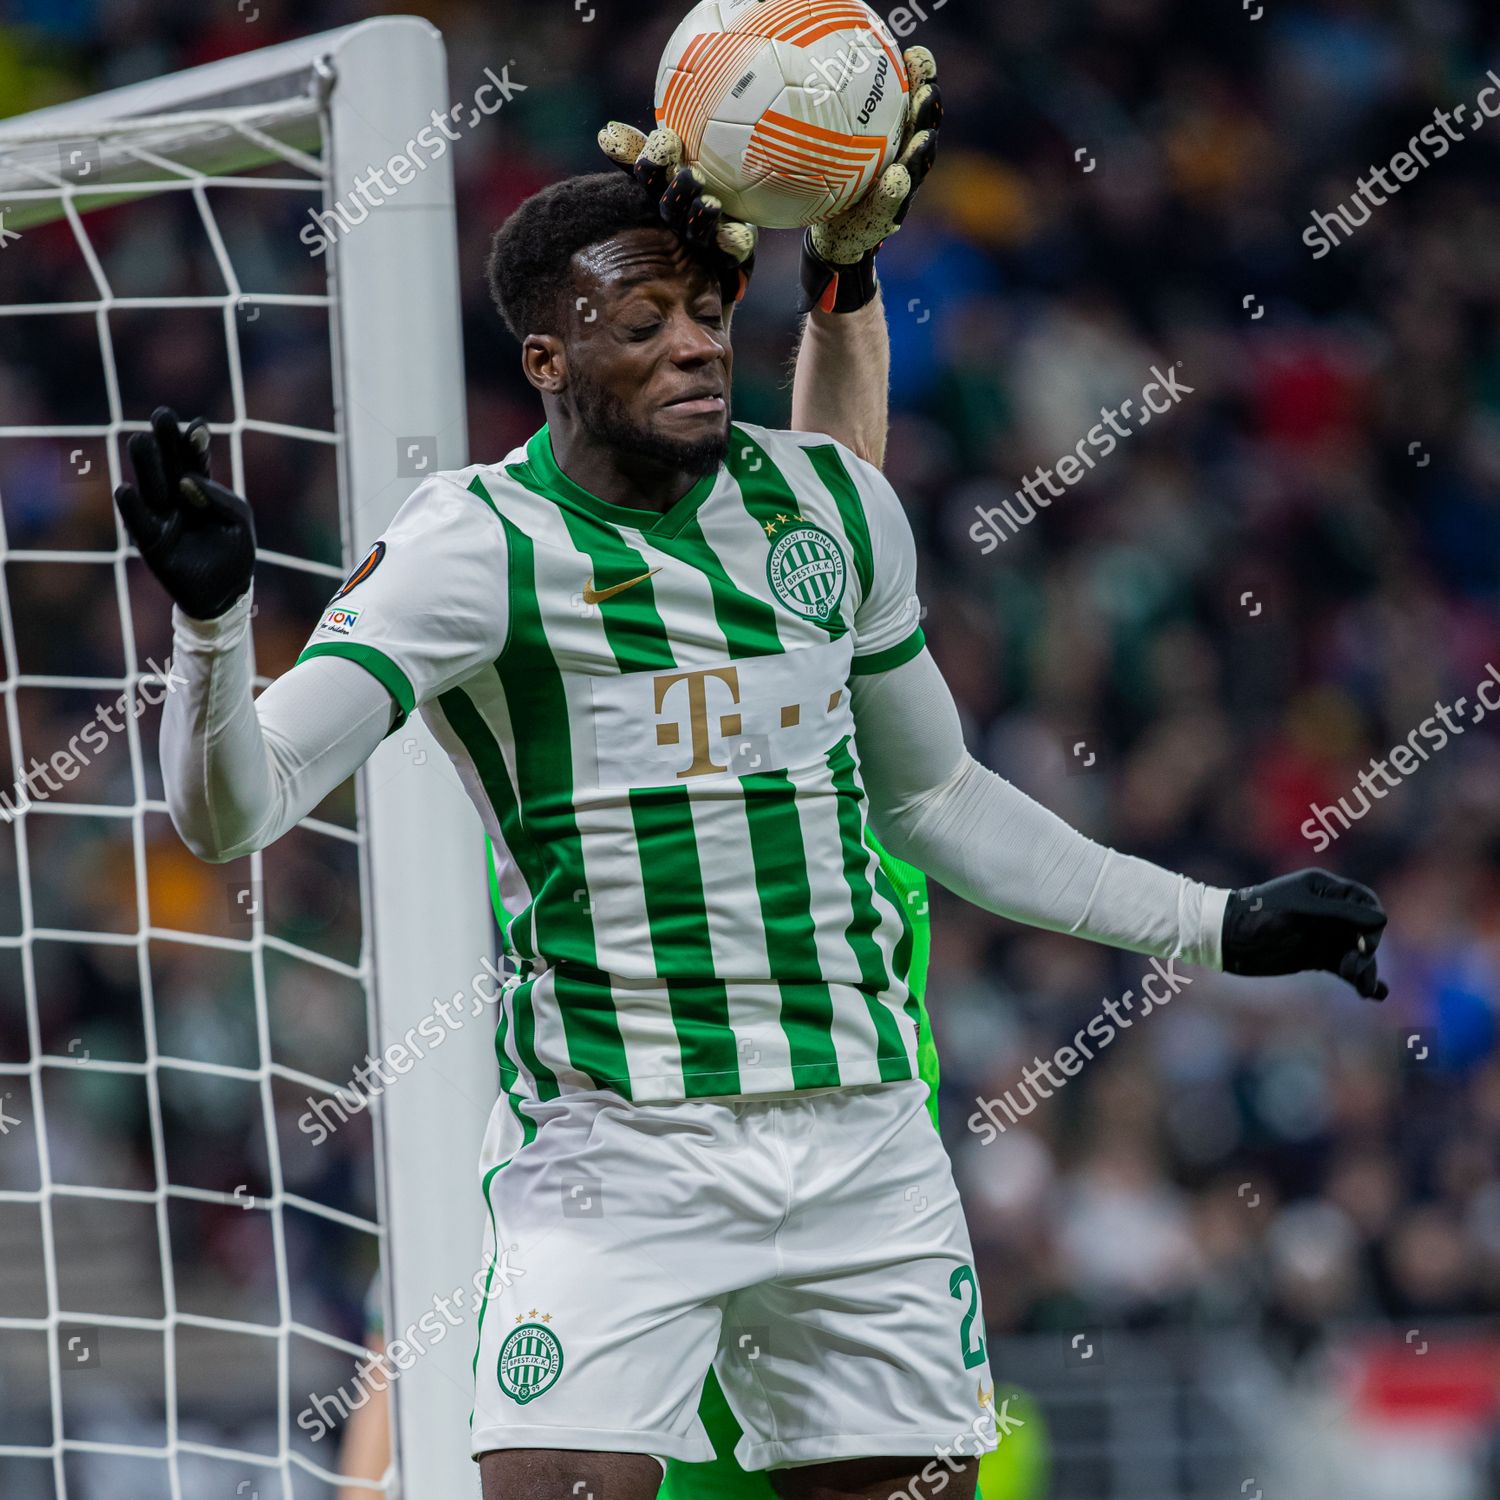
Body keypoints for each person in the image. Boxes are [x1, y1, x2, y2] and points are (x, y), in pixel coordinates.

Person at [116, 50, 1388, 1500]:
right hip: (615, 1150)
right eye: (643, 320)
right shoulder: (473, 550)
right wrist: (213, 628)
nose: (695, 345)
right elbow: (232, 807)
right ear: (547, 362)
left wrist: (1216, 925)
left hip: (862, 1136)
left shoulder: (827, 503)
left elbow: (938, 800)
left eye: (710, 313)